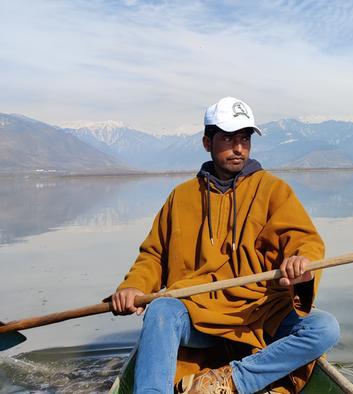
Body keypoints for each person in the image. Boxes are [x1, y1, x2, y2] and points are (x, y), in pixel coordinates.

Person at [110, 97, 340, 394]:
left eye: (244, 138)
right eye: (229, 138)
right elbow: (154, 255)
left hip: (258, 312)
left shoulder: (273, 190)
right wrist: (133, 287)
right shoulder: (181, 197)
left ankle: (231, 380)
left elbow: (304, 242)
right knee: (161, 311)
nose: (239, 148)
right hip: (198, 314)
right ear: (207, 142)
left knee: (324, 328)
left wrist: (301, 264)